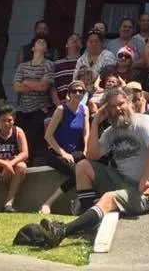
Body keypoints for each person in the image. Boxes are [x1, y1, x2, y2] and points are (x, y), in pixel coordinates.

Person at [38, 87, 149, 249]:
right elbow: (92, 155)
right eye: (112, 107)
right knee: (83, 166)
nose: (118, 109)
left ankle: (63, 231)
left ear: (129, 103)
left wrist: (144, 180)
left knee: (109, 198)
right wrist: (96, 120)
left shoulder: (144, 121)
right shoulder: (112, 131)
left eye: (121, 103)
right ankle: (86, 222)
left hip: (147, 190)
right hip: (121, 181)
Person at [40, 80, 89, 215]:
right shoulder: (61, 109)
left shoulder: (85, 109)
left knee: (93, 167)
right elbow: (48, 136)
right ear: (69, 94)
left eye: (81, 91)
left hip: (74, 153)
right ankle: (48, 203)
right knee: (78, 173)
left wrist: (86, 150)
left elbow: (86, 133)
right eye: (74, 91)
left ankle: (81, 201)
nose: (77, 93)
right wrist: (62, 153)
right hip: (56, 153)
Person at [13, 36, 56, 164]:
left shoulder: (49, 64)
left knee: (33, 133)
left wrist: (26, 82)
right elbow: (16, 87)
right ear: (32, 48)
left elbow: (44, 87)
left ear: (46, 49)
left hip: (41, 107)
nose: (42, 42)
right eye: (39, 41)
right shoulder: (22, 66)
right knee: (13, 130)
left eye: (44, 42)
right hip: (23, 108)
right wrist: (35, 84)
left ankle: (26, 161)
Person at [52, 34, 83, 101]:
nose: (74, 40)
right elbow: (52, 87)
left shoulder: (86, 63)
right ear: (66, 45)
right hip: (62, 106)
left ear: (81, 46)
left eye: (77, 39)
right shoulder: (57, 64)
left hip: (81, 106)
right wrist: (59, 105)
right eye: (71, 38)